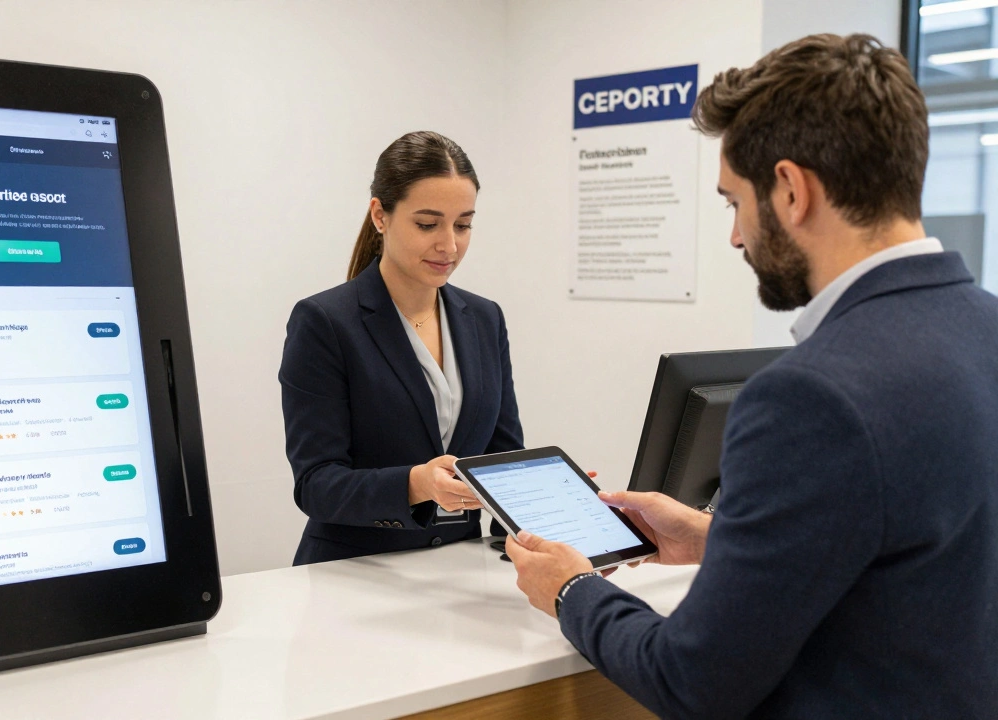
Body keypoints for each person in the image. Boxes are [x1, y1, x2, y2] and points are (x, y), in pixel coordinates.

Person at [507, 34, 998, 718]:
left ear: (792, 191)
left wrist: (571, 589)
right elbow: (925, 553)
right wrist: (724, 541)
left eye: (734, 202)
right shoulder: (986, 329)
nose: (736, 236)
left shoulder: (810, 395)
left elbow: (693, 680)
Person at [280, 131, 523, 565]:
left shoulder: (485, 319)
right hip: (354, 572)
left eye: (463, 224)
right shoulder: (325, 322)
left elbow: (502, 459)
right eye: (427, 224)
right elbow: (315, 485)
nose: (449, 245)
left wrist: (557, 503)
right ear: (380, 215)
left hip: (459, 569)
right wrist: (416, 484)